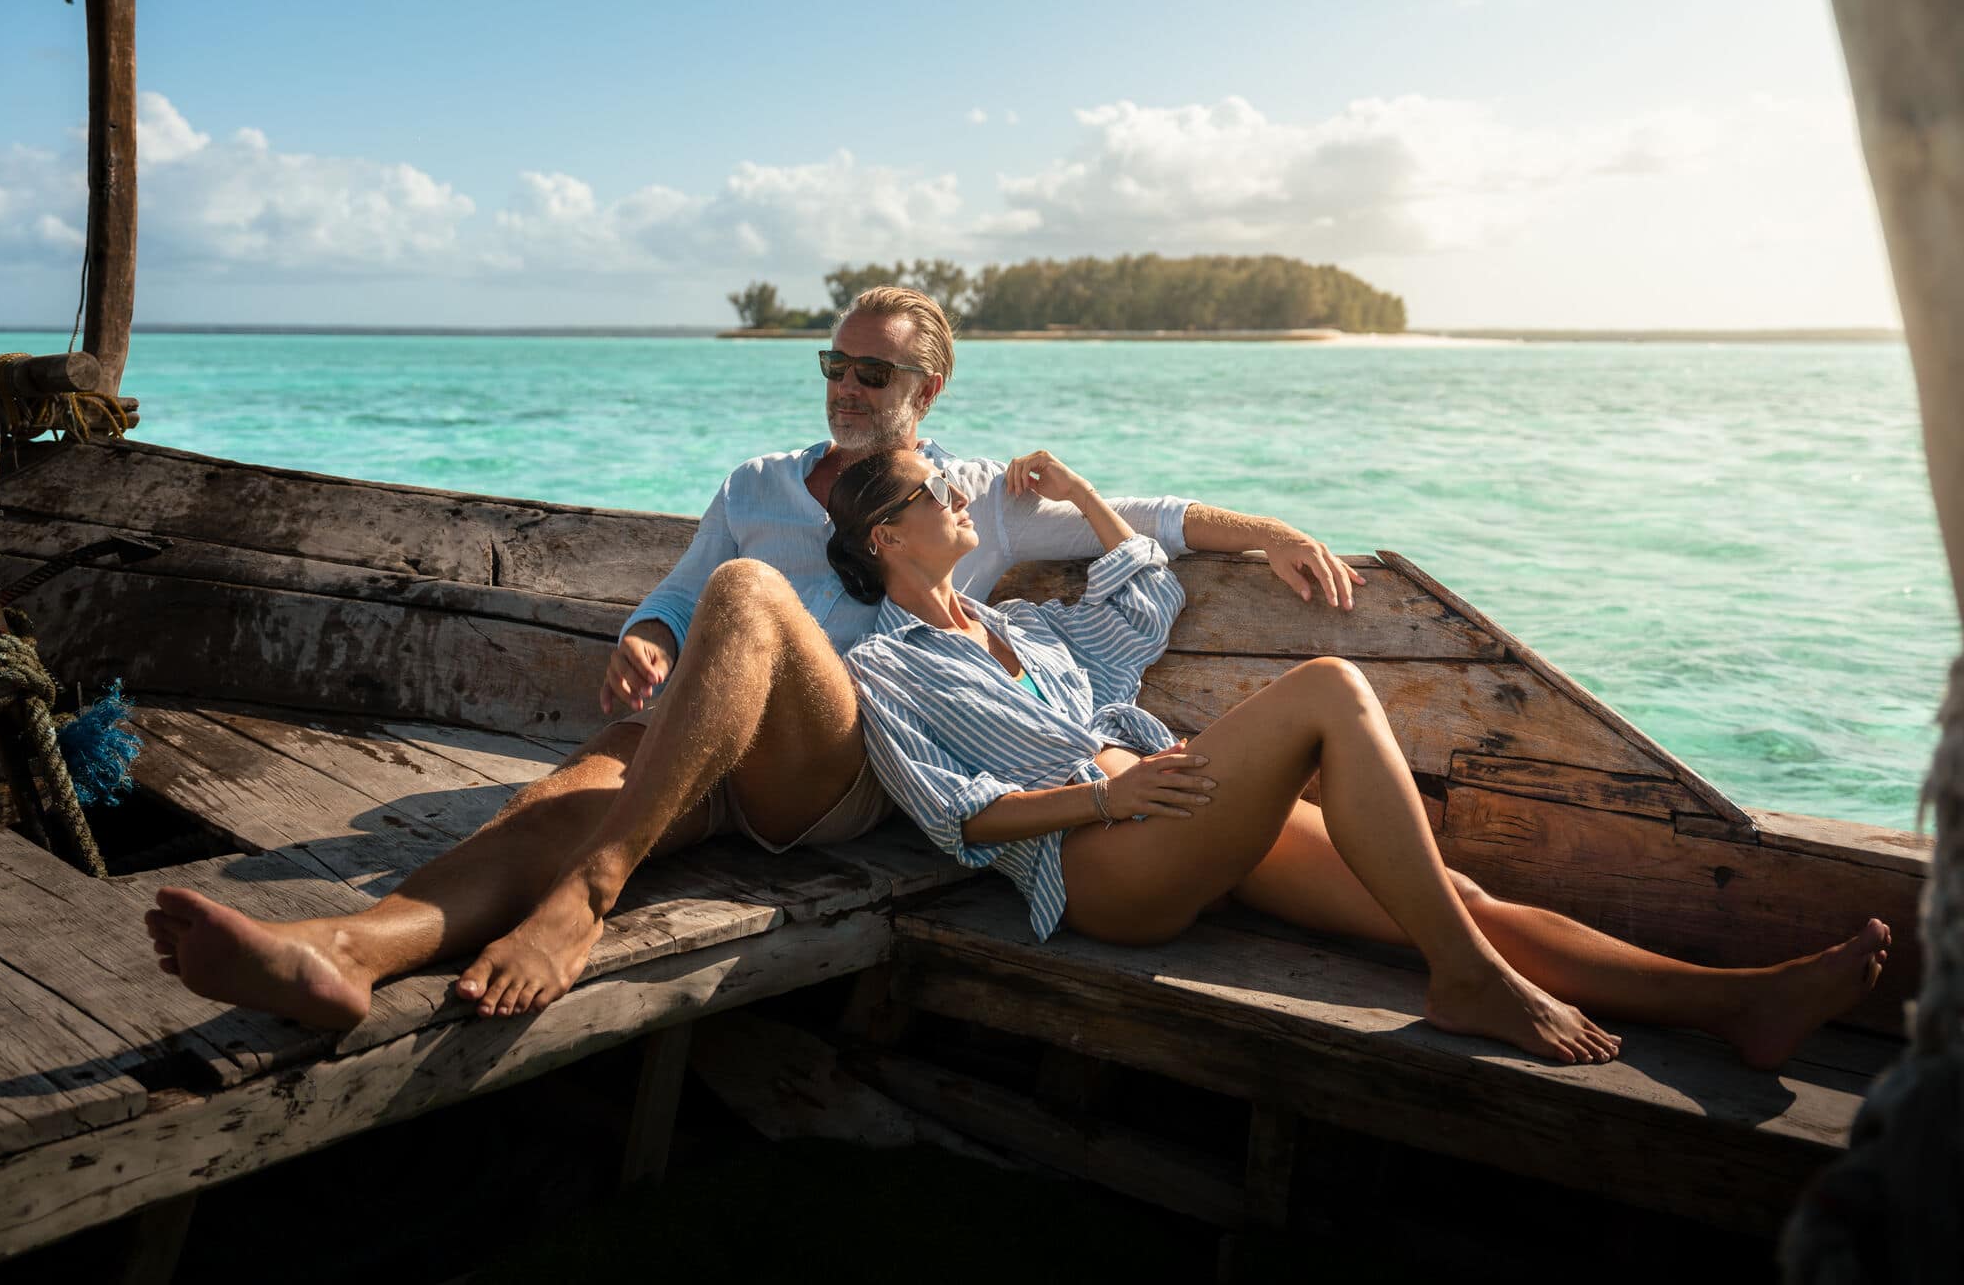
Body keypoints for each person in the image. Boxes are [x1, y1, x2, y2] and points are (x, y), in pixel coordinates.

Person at [143, 286, 1364, 1028]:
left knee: (752, 595)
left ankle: (589, 898)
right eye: (831, 364)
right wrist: (642, 638)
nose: (842, 385)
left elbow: (1153, 521)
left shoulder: (970, 495)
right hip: (702, 732)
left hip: (847, 757)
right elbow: (675, 597)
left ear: (925, 387)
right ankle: (343, 951)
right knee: (556, 797)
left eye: (869, 370)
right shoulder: (755, 481)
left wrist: (1272, 535)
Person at [828, 445, 1893, 1067]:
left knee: (1453, 888)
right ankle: (1467, 982)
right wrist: (1109, 804)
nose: (959, 497)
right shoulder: (884, 667)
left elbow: (1141, 589)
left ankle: (1734, 1001)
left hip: (1177, 807)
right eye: (934, 491)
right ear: (885, 535)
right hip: (1099, 862)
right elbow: (955, 816)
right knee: (1331, 690)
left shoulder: (1024, 626)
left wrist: (1072, 487)